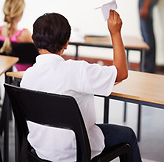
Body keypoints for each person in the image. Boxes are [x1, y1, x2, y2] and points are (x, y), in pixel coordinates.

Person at [21, 11, 142, 162]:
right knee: (128, 134)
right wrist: (115, 32)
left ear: (34, 41)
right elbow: (121, 72)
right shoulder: (77, 71)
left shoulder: (27, 76)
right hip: (76, 151)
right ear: (66, 43)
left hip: (41, 150)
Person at [0, 0, 33, 71]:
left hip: (8, 79)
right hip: (28, 76)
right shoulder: (25, 35)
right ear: (21, 13)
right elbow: (41, 55)